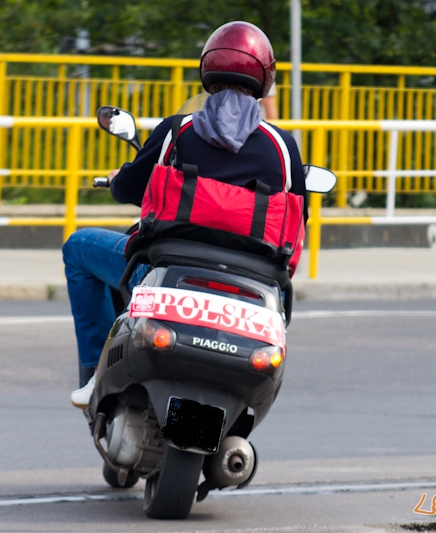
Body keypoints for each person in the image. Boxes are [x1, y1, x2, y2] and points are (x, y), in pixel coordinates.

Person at [64, 21, 308, 409]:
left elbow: (130, 189)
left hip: (166, 277)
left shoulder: (179, 131)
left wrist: (117, 181)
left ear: (207, 69)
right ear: (264, 78)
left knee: (77, 247)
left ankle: (96, 372)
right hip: (250, 292)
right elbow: (294, 236)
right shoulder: (283, 149)